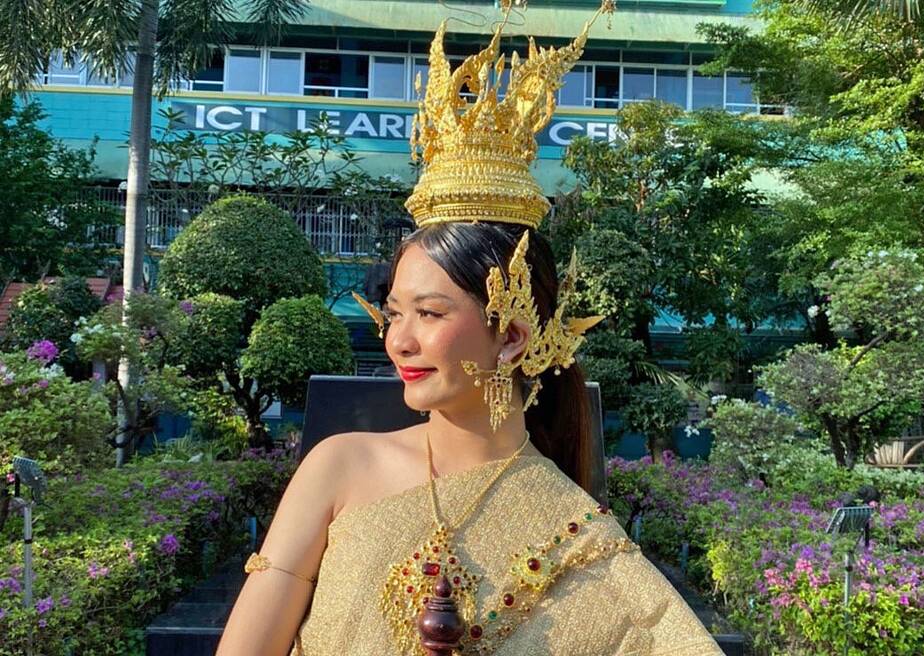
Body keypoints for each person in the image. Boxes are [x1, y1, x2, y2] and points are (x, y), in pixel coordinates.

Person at [217, 3, 724, 655]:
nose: (398, 340)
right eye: (394, 313)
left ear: (512, 334)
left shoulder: (579, 534)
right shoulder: (340, 465)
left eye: (427, 314)